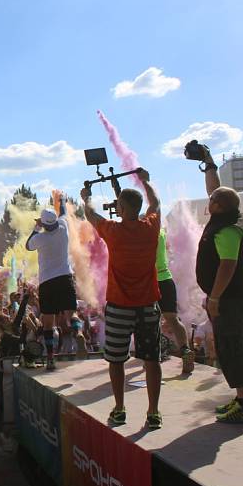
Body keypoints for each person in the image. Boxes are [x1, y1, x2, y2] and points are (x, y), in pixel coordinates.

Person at [81, 168, 164, 430]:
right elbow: (156, 203)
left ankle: (119, 409)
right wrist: (146, 180)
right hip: (148, 305)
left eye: (118, 204)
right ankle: (153, 412)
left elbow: (91, 215)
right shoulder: (151, 227)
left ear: (125, 206)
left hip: (119, 307)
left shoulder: (113, 231)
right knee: (151, 359)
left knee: (116, 360)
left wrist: (86, 197)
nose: (115, 207)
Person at [197, 149, 243, 423]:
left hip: (230, 299)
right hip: (230, 297)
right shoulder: (225, 216)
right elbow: (216, 187)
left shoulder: (228, 228)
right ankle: (241, 398)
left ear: (219, 206)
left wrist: (214, 297)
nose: (208, 198)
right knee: (229, 346)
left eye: (212, 199)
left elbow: (228, 266)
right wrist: (208, 161)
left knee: (233, 346)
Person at [25, 193, 81, 369]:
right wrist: (62, 201)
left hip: (47, 282)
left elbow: (28, 245)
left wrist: (36, 227)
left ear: (43, 224)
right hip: (65, 276)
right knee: (71, 313)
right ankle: (78, 332)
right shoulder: (63, 227)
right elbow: (63, 212)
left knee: (48, 323)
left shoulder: (40, 238)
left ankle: (50, 357)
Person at [156, 229, 195, 373]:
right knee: (173, 319)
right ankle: (185, 350)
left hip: (150, 282)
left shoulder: (143, 232)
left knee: (149, 321)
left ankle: (152, 359)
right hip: (166, 279)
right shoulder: (161, 232)